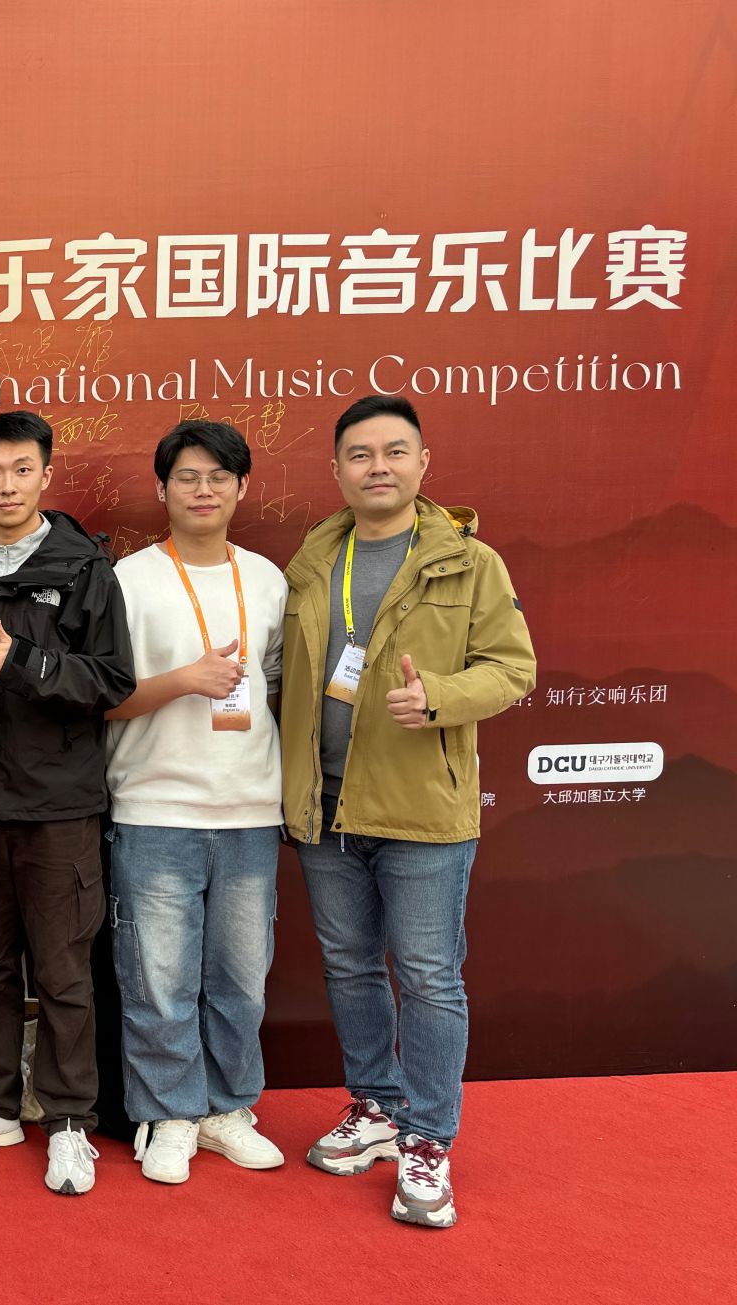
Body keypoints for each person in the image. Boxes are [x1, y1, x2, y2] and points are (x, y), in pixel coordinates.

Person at [282, 395, 536, 1228]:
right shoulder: (314, 559)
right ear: (336, 470)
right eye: (360, 454)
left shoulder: (470, 563)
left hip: (422, 808)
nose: (378, 466)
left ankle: (429, 1138)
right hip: (326, 805)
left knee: (427, 975)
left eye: (395, 451)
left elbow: (514, 667)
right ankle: (376, 1107)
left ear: (423, 463)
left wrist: (440, 698)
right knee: (350, 967)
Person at [0, 410, 135, 1196]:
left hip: (58, 809)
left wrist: (29, 662)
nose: (7, 485)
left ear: (47, 474)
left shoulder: (85, 568)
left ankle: (70, 1118)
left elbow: (111, 680)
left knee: (62, 971)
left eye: (22, 469)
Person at [102, 421, 289, 1185]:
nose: (203, 489)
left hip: (249, 810)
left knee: (242, 979)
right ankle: (169, 1111)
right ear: (162, 488)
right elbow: (102, 697)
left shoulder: (270, 580)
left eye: (218, 475)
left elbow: (277, 685)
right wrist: (186, 680)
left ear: (242, 487)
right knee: (158, 977)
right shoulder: (129, 578)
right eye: (187, 475)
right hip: (154, 807)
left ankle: (227, 1107)